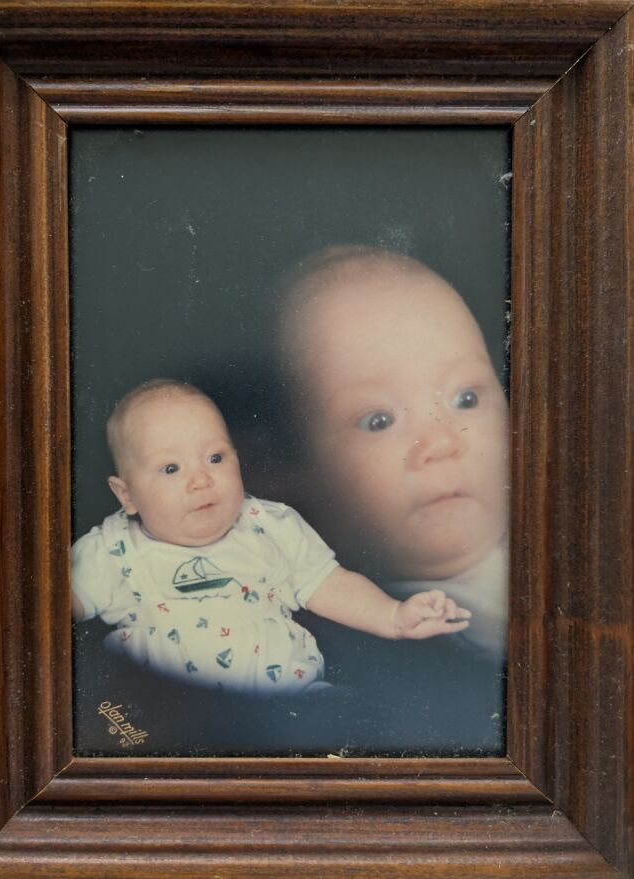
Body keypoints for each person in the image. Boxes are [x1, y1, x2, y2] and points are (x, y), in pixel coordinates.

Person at [71, 378, 471, 697]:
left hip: (285, 700)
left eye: (215, 458)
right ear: (127, 495)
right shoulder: (112, 549)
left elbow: (331, 584)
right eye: (171, 469)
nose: (201, 480)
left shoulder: (268, 526)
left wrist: (393, 616)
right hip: (170, 710)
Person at [278, 245, 509, 657]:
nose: (440, 443)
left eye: (466, 399)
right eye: (378, 421)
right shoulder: (347, 653)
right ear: (298, 480)